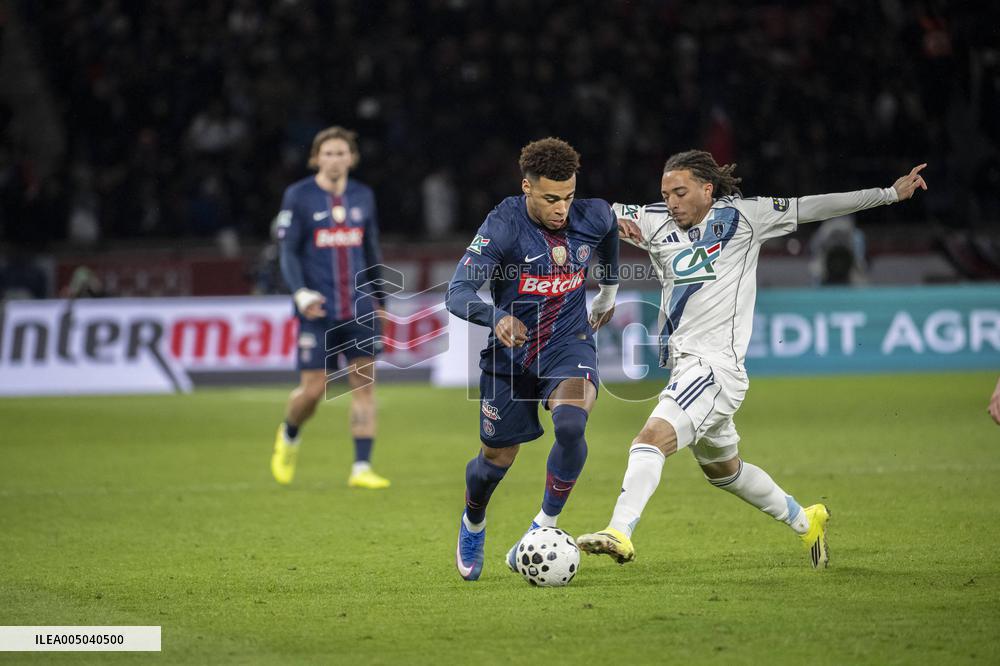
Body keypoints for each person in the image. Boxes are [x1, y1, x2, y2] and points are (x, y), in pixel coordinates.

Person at [577, 150, 928, 569]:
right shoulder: (654, 221)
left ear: (707, 190)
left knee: (650, 439)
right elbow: (592, 216)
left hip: (713, 368)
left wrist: (888, 194)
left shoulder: (747, 217)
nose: (671, 201)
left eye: (680, 192)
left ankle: (619, 531)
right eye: (665, 193)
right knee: (724, 471)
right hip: (686, 367)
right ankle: (806, 519)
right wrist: (605, 284)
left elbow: (814, 206)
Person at [446, 137, 620, 581]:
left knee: (571, 423)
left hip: (570, 344)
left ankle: (542, 527)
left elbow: (610, 231)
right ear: (526, 187)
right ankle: (473, 521)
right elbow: (457, 292)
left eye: (568, 197)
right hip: (511, 356)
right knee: (493, 464)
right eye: (550, 199)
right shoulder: (502, 225)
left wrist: (608, 291)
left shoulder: (592, 213)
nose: (562, 208)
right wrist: (495, 315)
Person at [270, 126, 390, 490]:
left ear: (351, 158)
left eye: (342, 153)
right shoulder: (299, 196)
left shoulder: (363, 196)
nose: (335, 159)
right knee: (312, 391)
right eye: (328, 153)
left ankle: (362, 467)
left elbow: (370, 250)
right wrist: (300, 293)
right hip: (316, 311)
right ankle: (289, 434)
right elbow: (287, 252)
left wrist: (381, 299)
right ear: (316, 158)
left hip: (358, 309)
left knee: (364, 388)